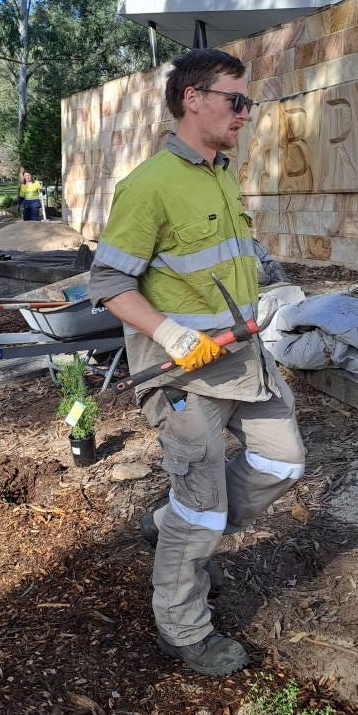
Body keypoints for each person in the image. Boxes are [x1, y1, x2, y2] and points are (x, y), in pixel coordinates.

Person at [88, 49, 305, 677]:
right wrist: (172, 333)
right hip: (184, 376)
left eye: (247, 103)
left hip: (244, 361)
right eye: (236, 100)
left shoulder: (220, 175)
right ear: (193, 98)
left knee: (282, 462)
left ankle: (172, 525)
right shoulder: (150, 185)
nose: (246, 113)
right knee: (203, 508)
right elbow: (107, 282)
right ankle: (182, 629)